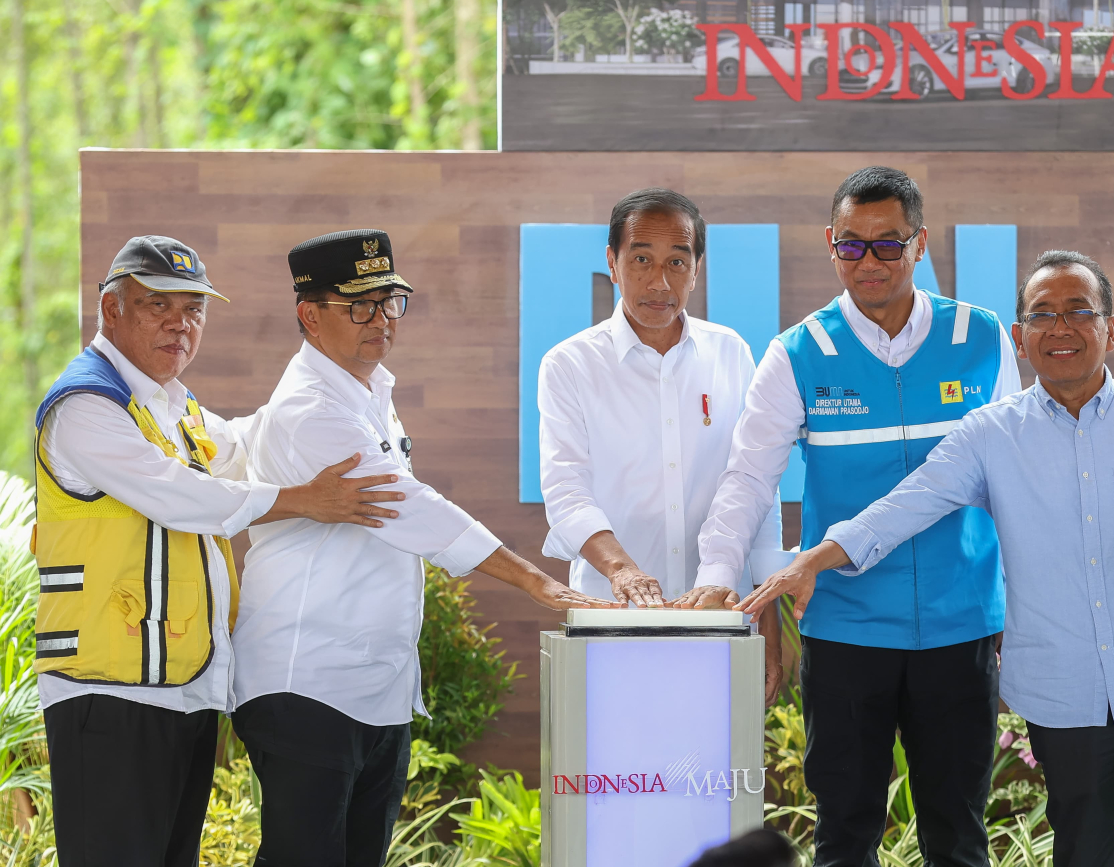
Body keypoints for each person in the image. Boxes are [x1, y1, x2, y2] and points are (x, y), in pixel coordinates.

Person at [743, 250, 1114, 867]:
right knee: (1083, 854)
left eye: (1079, 311)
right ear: (1020, 340)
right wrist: (812, 559)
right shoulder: (989, 434)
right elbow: (907, 504)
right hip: (1064, 693)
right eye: (1042, 315)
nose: (1060, 327)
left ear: (1110, 328)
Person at [230, 229, 613, 867]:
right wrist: (535, 582)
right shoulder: (310, 409)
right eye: (359, 306)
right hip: (307, 684)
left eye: (390, 302)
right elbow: (411, 509)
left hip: (373, 686)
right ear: (309, 315)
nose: (381, 320)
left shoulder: (370, 394)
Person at [33, 235, 403, 867]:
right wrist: (303, 499)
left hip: (182, 682)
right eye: (158, 306)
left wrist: (319, 393)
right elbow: (181, 496)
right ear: (110, 310)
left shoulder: (177, 410)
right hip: (109, 687)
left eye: (194, 309)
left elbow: (246, 444)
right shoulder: (86, 404)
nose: (181, 323)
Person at [697, 166, 1024, 867]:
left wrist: (1019, 605)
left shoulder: (982, 337)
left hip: (959, 623)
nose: (868, 262)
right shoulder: (798, 352)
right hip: (844, 626)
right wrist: (717, 575)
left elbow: (1011, 480)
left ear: (919, 243)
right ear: (830, 243)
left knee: (958, 832)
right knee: (845, 832)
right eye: (851, 246)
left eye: (887, 245)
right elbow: (750, 476)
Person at [537, 187, 785, 700]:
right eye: (641, 259)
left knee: (715, 776)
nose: (659, 281)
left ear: (697, 268)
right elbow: (564, 490)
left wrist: (769, 626)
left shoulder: (731, 354)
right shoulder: (569, 365)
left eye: (677, 261)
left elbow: (759, 491)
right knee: (616, 776)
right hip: (609, 618)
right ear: (612, 261)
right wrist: (621, 570)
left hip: (722, 617)